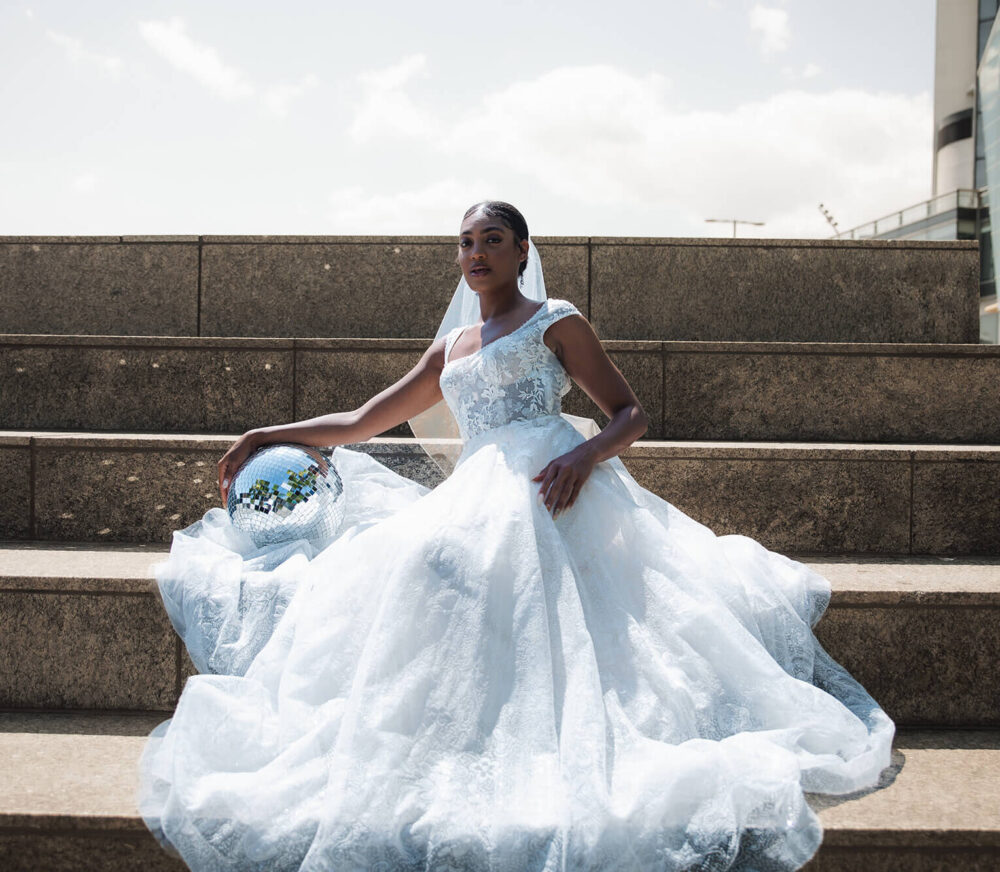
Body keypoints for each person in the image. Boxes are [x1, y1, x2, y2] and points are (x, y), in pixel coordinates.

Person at [138, 201, 894, 871]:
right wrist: (269, 429)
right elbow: (368, 419)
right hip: (477, 487)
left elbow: (630, 412)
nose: (476, 253)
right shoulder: (453, 348)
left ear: (523, 251)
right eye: (465, 241)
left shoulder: (554, 319)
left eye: (492, 239)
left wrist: (581, 452)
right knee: (426, 561)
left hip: (554, 480)